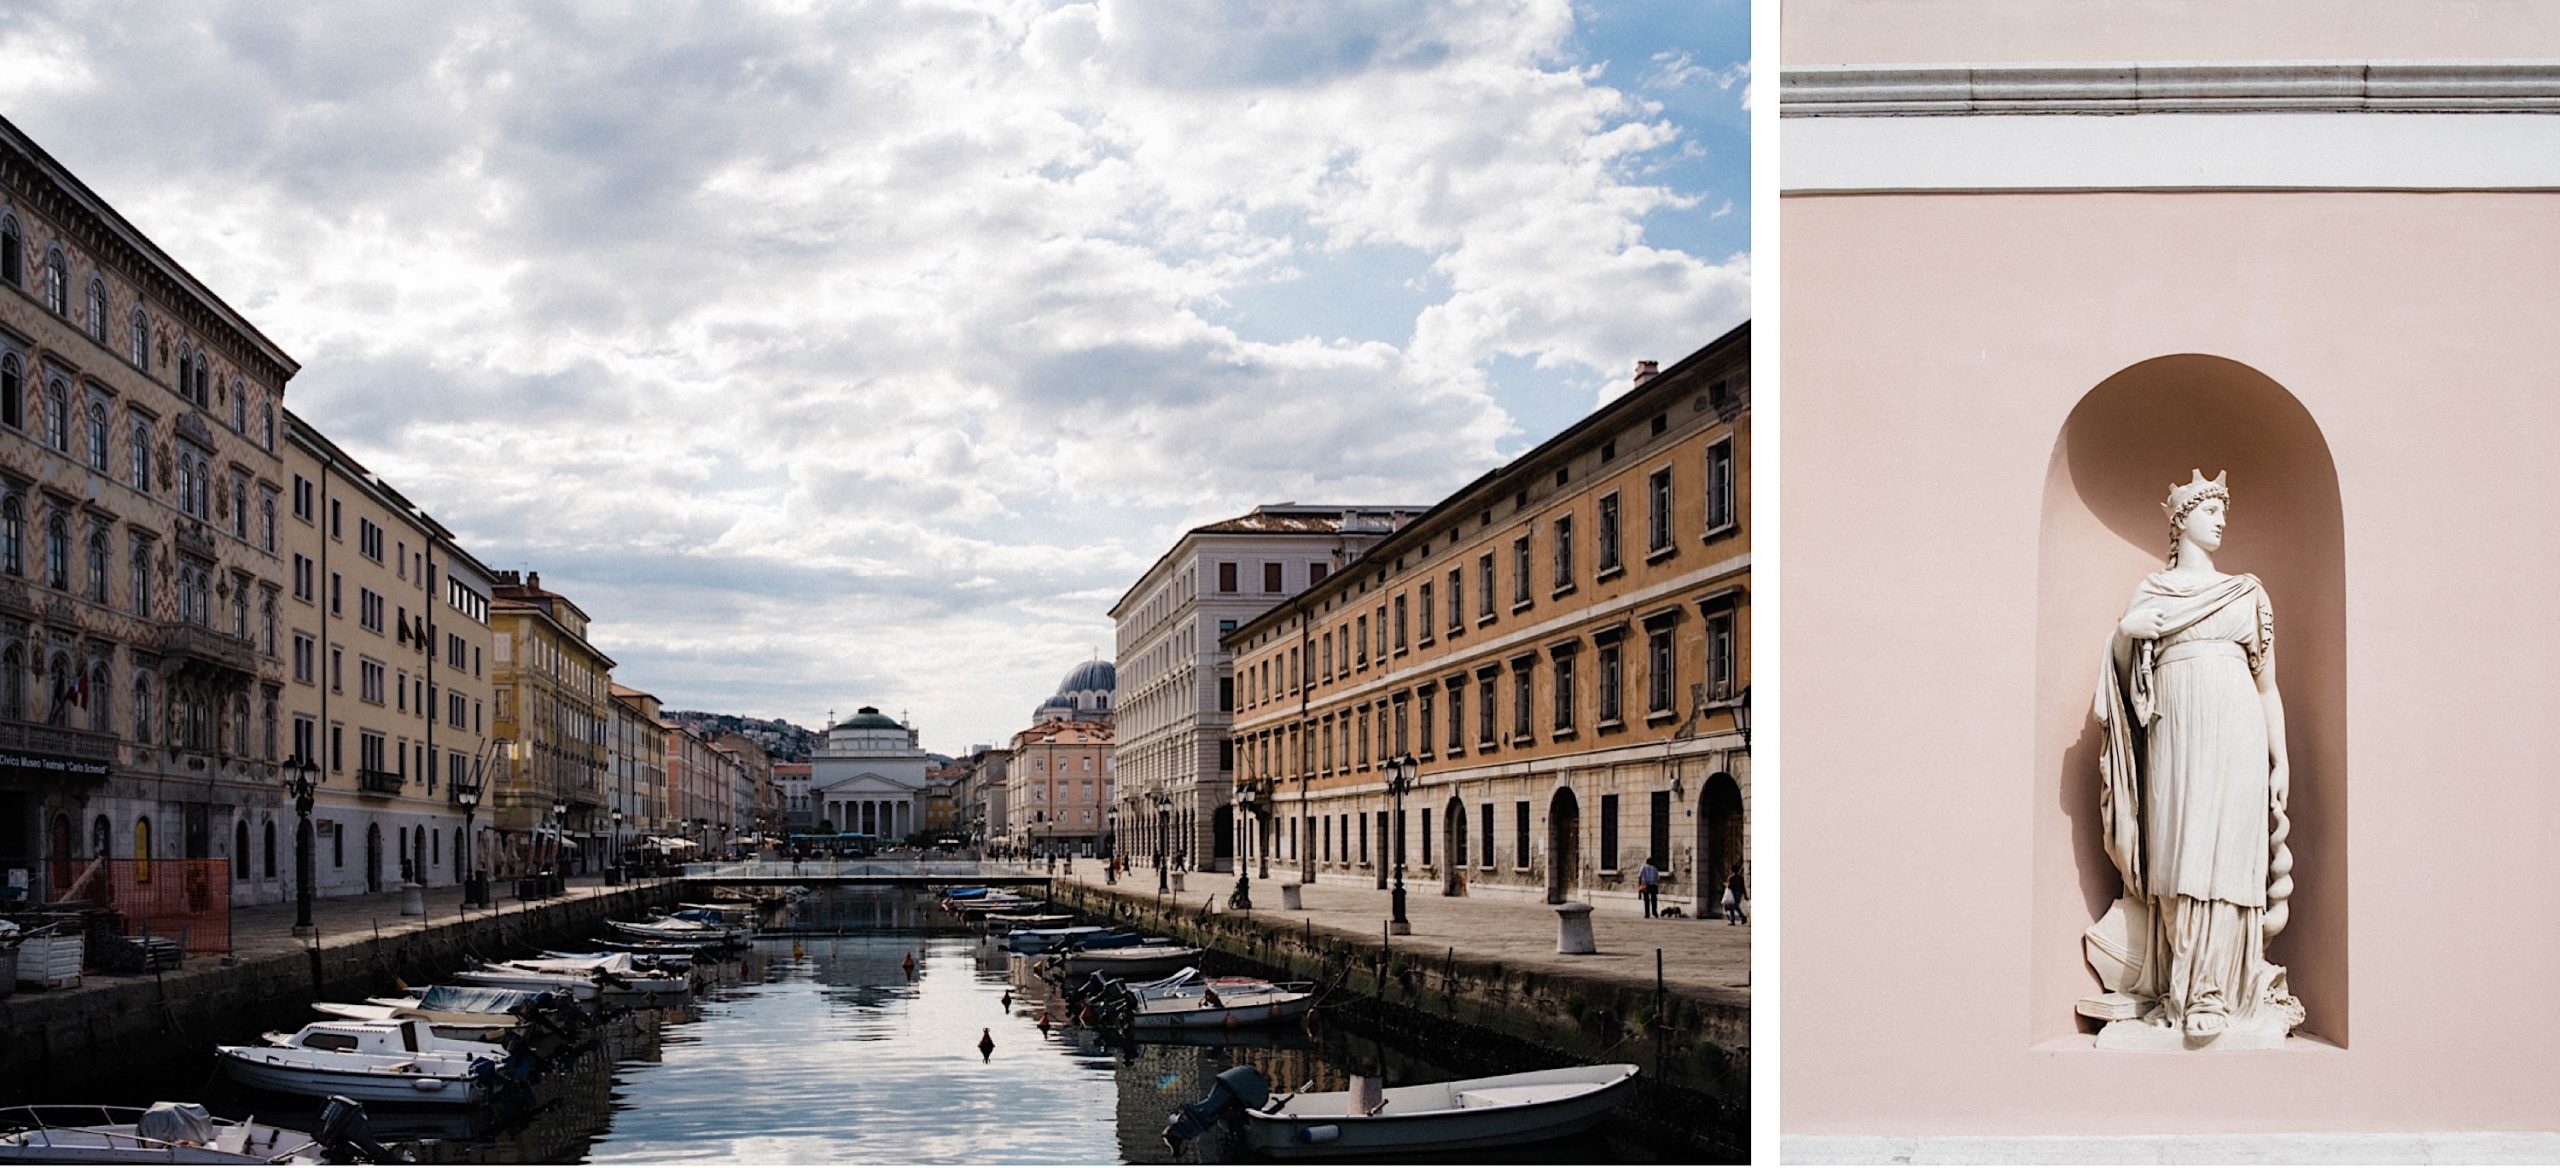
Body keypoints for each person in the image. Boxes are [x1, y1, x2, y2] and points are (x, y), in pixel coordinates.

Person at [2086, 470, 2303, 1044]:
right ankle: (2183, 988)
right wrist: (2124, 635)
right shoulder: (2153, 593)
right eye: (2212, 510)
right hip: (2177, 730)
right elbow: (2126, 689)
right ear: (2182, 521)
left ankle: (2221, 990)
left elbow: (2266, 688)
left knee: (2230, 850)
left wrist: (2280, 760)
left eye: (2225, 510)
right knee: (2181, 845)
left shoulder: (2248, 592)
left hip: (2237, 730)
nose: (2223, 520)